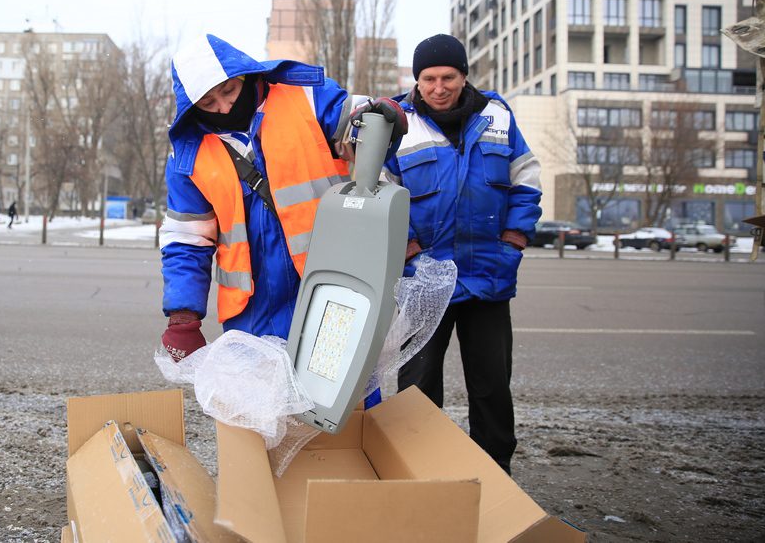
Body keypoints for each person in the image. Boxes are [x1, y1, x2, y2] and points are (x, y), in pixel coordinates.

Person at [159, 33, 407, 361]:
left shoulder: (306, 96)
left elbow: (356, 126)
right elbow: (187, 240)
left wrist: (380, 121)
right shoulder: (188, 155)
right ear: (192, 107)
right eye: (208, 104)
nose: (224, 107)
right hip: (253, 304)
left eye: (229, 90)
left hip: (333, 279)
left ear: (243, 75)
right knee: (259, 405)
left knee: (346, 399)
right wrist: (183, 315)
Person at [384, 34, 542, 474]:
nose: (438, 87)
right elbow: (383, 193)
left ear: (464, 76)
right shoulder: (397, 121)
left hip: (488, 279)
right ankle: (420, 469)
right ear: (416, 80)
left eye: (448, 77)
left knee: (491, 387)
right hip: (423, 281)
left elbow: (526, 179)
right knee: (417, 385)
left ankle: (494, 474)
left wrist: (514, 242)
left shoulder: (498, 115)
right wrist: (409, 254)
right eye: (428, 78)